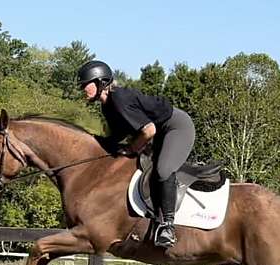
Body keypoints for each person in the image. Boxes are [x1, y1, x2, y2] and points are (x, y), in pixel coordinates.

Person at [76, 60, 196, 248]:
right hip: (158, 132)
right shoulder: (107, 106)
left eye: (85, 84)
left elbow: (148, 131)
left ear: (100, 83)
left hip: (176, 127)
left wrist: (131, 149)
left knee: (163, 170)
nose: (82, 88)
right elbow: (115, 138)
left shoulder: (119, 99)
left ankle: (167, 226)